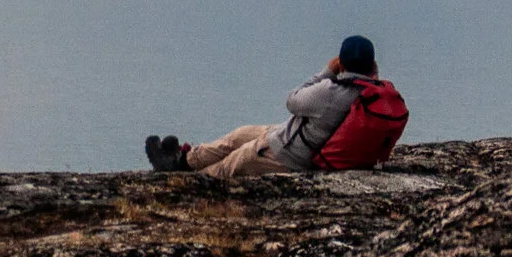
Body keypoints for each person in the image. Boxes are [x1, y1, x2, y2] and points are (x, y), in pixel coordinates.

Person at [144, 35, 407, 176]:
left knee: (235, 161)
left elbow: (293, 99)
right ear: (372, 66)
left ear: (342, 63)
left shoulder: (330, 92)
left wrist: (327, 70)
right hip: (293, 138)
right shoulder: (373, 93)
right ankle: (184, 160)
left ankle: (184, 179)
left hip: (286, 155)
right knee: (239, 135)